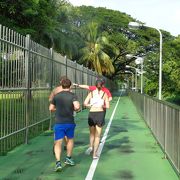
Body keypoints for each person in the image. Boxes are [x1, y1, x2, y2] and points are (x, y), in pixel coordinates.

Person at [49, 78, 80, 172]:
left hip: (59, 122)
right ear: (70, 86)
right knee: (70, 140)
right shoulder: (73, 95)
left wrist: (57, 109)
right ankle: (68, 158)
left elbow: (51, 108)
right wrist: (74, 109)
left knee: (58, 142)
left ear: (61, 85)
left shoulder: (57, 96)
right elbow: (77, 107)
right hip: (69, 121)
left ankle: (58, 162)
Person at [83, 79, 109, 159]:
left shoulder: (91, 93)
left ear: (95, 85)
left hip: (92, 114)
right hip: (100, 114)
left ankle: (91, 147)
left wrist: (90, 105)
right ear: (102, 85)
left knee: (92, 134)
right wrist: (102, 106)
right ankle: (94, 154)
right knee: (98, 136)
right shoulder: (104, 94)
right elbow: (107, 106)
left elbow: (85, 103)